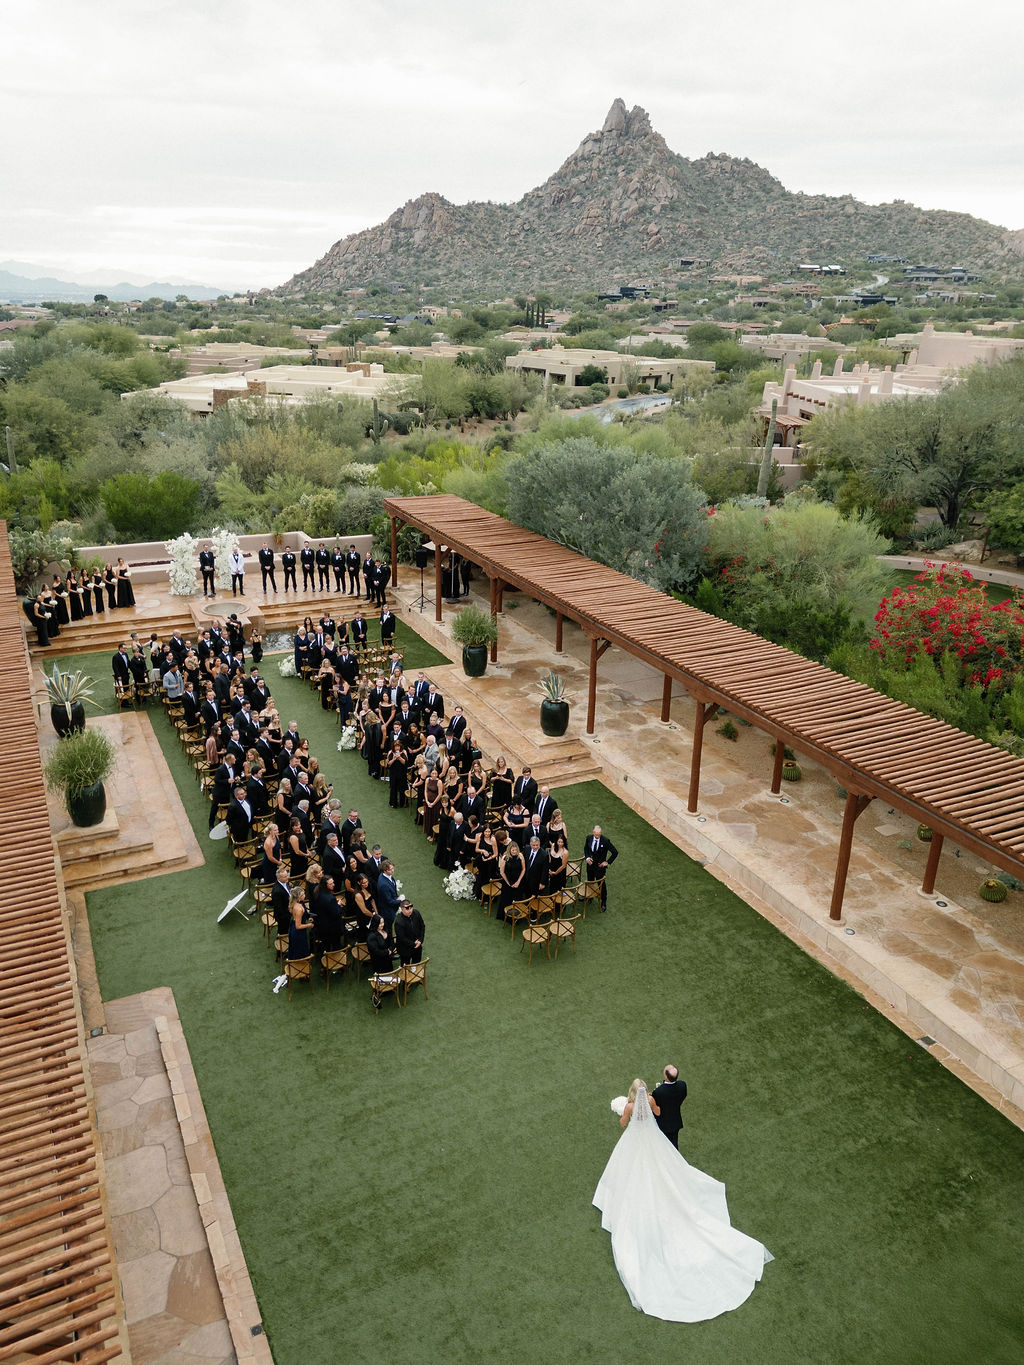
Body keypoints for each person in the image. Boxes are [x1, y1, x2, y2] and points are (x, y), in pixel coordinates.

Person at [593, 1080, 771, 1322]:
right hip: (653, 1140)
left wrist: (624, 1109)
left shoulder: (631, 1107)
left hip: (635, 1141)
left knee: (632, 1173)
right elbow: (656, 1113)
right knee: (664, 1172)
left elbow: (624, 1123)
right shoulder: (652, 1100)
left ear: (632, 1094)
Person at [650, 1066, 688, 1150]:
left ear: (666, 1077)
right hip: (675, 1121)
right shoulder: (682, 1085)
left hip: (662, 1124)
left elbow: (655, 1106)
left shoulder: (659, 1092)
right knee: (674, 1145)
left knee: (662, 1146)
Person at [585, 825, 618, 910]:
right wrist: (587, 858)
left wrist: (607, 862)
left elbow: (615, 852)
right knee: (590, 881)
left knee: (601, 885)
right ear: (593, 832)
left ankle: (603, 901)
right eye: (596, 834)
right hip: (590, 866)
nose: (597, 836)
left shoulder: (605, 841)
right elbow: (586, 849)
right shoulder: (589, 838)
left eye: (599, 834)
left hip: (600, 868)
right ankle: (589, 896)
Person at [394, 900, 425, 965]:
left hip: (417, 946)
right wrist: (413, 944)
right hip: (405, 949)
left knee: (416, 963)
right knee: (405, 966)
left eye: (411, 907)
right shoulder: (398, 921)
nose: (410, 910)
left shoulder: (416, 913)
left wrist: (420, 940)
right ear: (402, 909)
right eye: (407, 908)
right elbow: (402, 938)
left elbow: (422, 926)